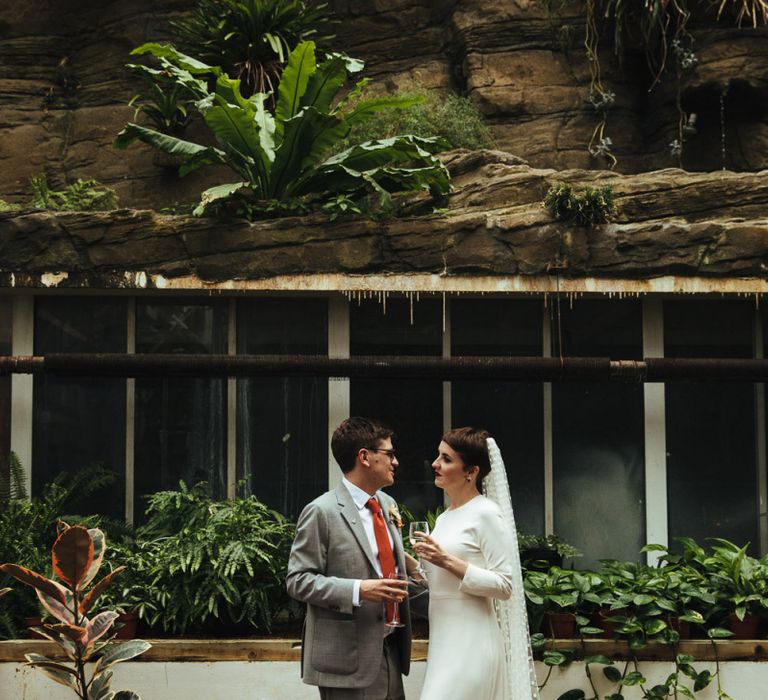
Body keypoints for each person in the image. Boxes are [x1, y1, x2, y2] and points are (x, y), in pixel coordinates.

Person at [286, 417, 413, 700]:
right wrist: (359, 590)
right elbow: (298, 580)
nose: (396, 462)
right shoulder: (321, 511)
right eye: (389, 454)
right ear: (365, 457)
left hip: (392, 650)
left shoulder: (388, 504)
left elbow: (383, 559)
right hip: (345, 659)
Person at [414, 427, 539, 700]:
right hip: (443, 642)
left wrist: (445, 559)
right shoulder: (446, 518)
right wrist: (401, 556)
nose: (435, 464)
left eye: (446, 459)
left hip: (472, 642)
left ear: (471, 472)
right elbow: (437, 580)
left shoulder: (486, 513)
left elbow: (505, 585)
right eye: (438, 456)